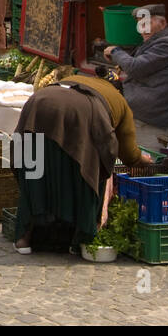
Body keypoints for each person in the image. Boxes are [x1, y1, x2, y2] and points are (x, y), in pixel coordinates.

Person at [13, 72, 152, 254]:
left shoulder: (77, 79)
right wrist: (143, 160)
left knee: (34, 172)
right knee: (93, 167)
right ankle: (80, 240)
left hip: (39, 103)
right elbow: (129, 153)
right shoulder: (119, 100)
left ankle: (24, 239)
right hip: (81, 113)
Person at [103, 4, 168, 150]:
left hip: (152, 111)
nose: (143, 29)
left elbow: (135, 68)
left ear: (163, 22)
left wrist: (116, 51)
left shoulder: (167, 43)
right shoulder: (154, 40)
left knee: (146, 160)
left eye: (147, 23)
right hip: (143, 106)